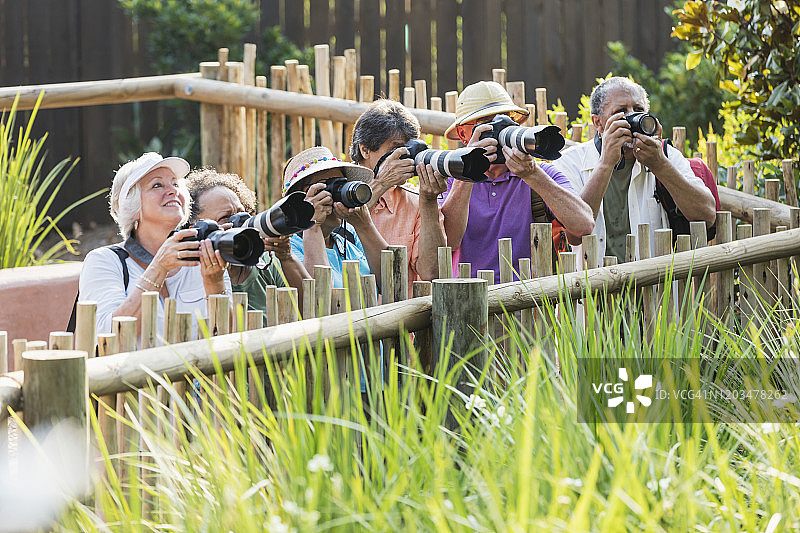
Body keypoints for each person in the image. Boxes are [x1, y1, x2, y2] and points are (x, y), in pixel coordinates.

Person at [440, 81, 595, 282]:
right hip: (469, 303)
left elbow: (584, 226)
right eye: (488, 122)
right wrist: (470, 169)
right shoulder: (450, 181)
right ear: (463, 134)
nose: (499, 130)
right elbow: (447, 243)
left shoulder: (540, 172)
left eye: (504, 120)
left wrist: (532, 175)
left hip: (529, 306)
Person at [553, 77, 716, 265]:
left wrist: (660, 164)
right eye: (621, 111)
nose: (632, 118)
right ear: (598, 123)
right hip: (593, 288)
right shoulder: (570, 162)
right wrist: (606, 163)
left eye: (638, 110)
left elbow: (707, 215)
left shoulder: (665, 155)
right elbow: (574, 235)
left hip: (655, 289)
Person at [79, 152, 231, 336]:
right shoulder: (104, 261)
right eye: (157, 185)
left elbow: (230, 339)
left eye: (175, 183)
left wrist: (215, 283)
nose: (173, 190)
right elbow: (110, 335)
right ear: (132, 207)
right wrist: (159, 267)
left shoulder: (205, 255)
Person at [185, 169, 312, 326]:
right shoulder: (189, 274)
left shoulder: (264, 261)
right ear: (197, 228)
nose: (239, 222)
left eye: (242, 214)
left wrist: (286, 257)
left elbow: (311, 310)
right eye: (226, 217)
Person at [350, 99, 448, 290]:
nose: (405, 158)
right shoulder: (335, 191)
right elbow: (336, 233)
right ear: (365, 149)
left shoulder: (416, 202)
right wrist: (380, 184)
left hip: (403, 316)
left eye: (409, 150)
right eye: (395, 150)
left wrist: (428, 202)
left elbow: (433, 274)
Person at [284, 146, 389, 288]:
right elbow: (319, 299)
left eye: (341, 183)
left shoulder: (349, 237)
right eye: (327, 186)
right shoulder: (288, 250)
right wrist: (312, 225)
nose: (337, 192)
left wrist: (365, 226)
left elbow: (391, 282)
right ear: (299, 198)